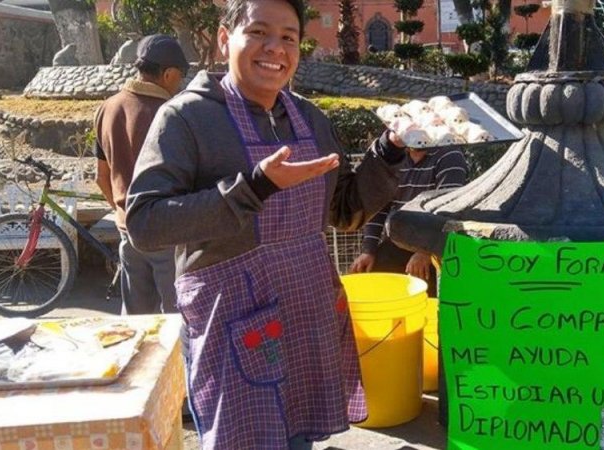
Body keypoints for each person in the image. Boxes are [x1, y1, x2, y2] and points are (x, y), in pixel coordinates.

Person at [124, 1, 406, 448]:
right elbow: (144, 223)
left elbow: (345, 210)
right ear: (224, 38)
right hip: (234, 321)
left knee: (299, 440)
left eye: (288, 37)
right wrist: (253, 188)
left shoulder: (310, 120)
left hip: (305, 314)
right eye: (258, 32)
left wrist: (390, 150)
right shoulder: (186, 119)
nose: (275, 48)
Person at [94, 34, 189, 315]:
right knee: (179, 320)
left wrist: (123, 212)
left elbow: (102, 176)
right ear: (168, 74)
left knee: (136, 321)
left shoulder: (107, 108)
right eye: (180, 76)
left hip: (128, 229)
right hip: (168, 232)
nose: (180, 83)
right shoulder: (172, 113)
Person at [349, 146, 468, 296]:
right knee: (375, 275)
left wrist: (425, 251)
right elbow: (379, 207)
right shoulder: (394, 156)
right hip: (399, 240)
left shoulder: (450, 155)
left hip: (437, 243)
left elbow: (448, 207)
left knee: (427, 294)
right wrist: (368, 250)